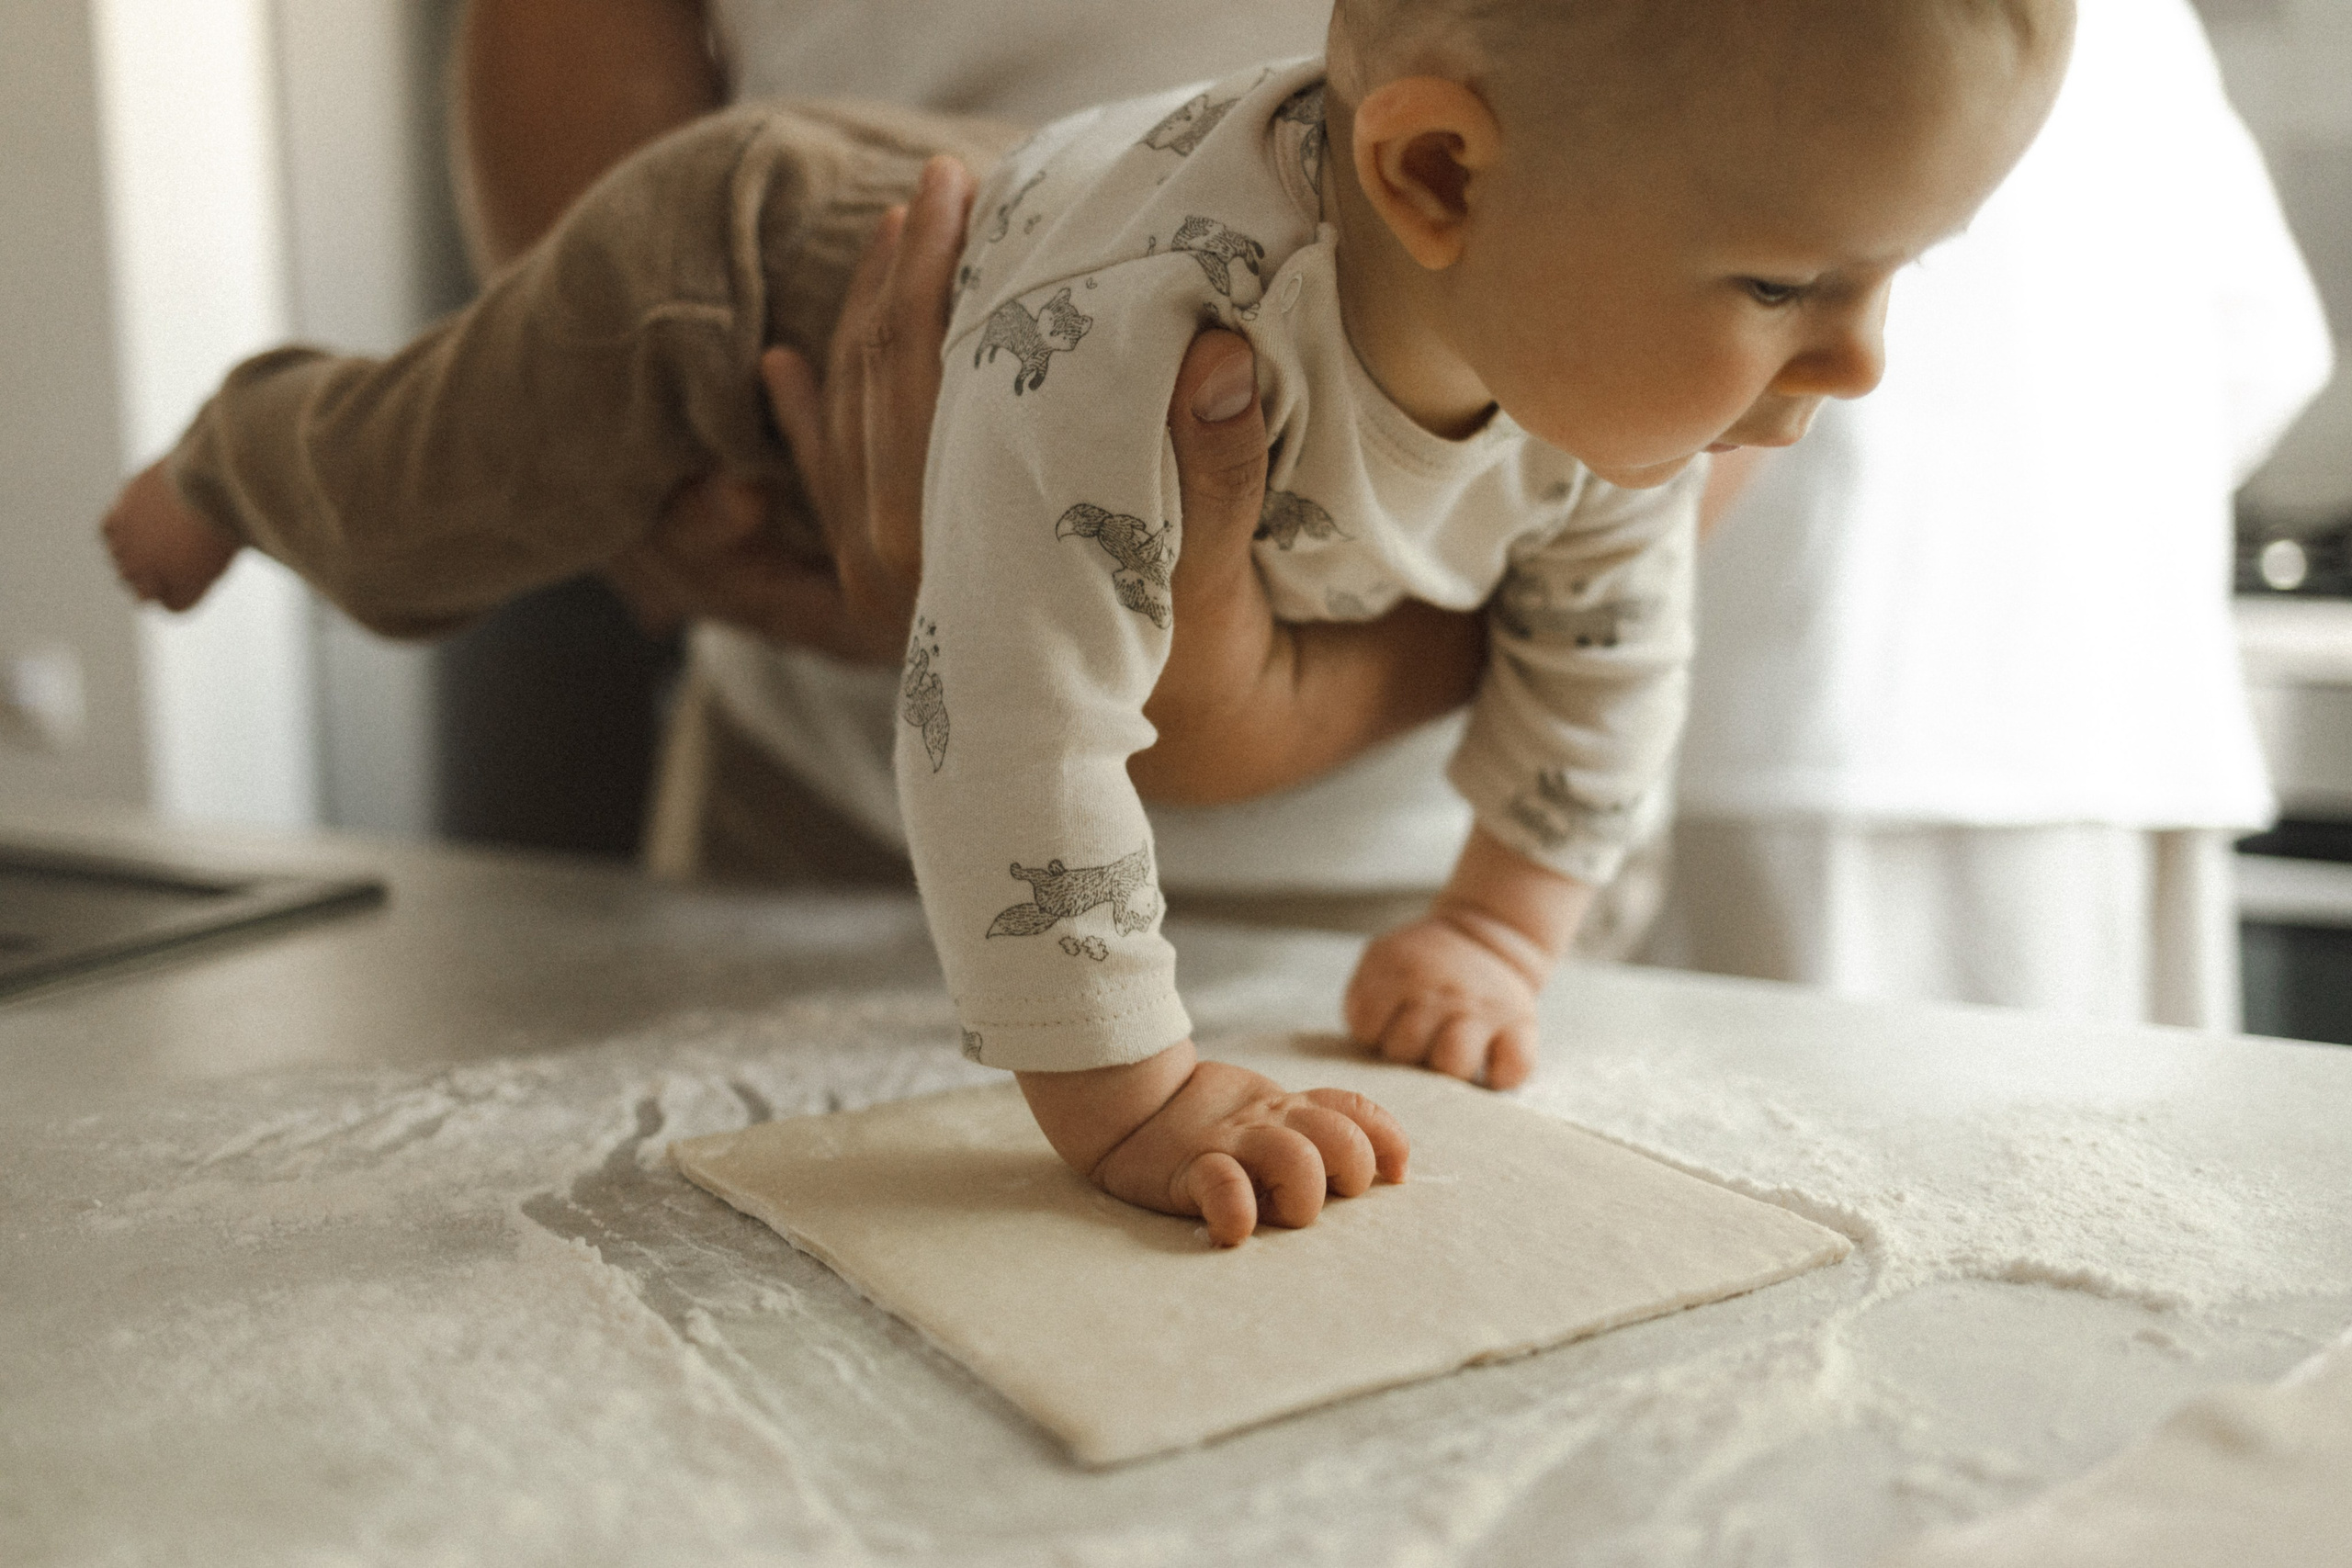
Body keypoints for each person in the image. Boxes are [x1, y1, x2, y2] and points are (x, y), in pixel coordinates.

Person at [103, 0, 2070, 1242]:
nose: (1861, 360)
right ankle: (243, 443)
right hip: (760, 268)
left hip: (1044, 308)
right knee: (422, 498)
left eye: (1893, 274)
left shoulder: (1619, 337)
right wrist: (1126, 1089)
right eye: (1789, 280)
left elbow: (1602, 651)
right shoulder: (1145, 334)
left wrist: (1491, 918)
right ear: (1440, 172)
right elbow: (1013, 719)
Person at [1641, 0, 2335, 1031]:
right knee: (2109, 1170)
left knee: (1774, 1168)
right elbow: (2275, 351)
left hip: (1821, 711)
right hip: (2119, 727)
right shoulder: (2140, 21)